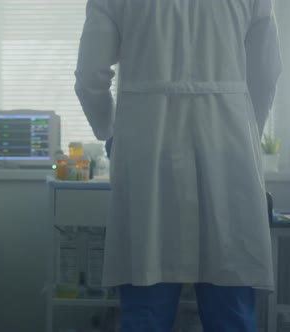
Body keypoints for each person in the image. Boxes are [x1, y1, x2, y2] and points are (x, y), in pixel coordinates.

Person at [75, 0, 282, 331]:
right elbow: (266, 73)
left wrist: (111, 133)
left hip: (147, 152)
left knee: (146, 295)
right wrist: (245, 135)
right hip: (227, 150)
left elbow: (90, 77)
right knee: (230, 302)